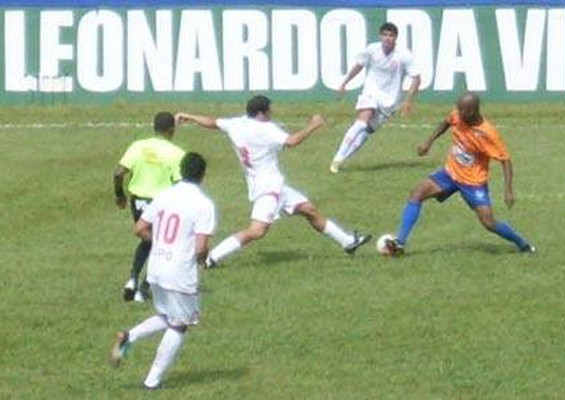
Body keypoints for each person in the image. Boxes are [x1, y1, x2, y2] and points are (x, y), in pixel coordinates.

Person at [176, 95, 371, 267]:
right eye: (269, 109)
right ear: (261, 113)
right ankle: (213, 258)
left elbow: (212, 122)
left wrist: (190, 117)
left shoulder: (237, 123)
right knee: (257, 230)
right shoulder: (265, 129)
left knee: (309, 210)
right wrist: (313, 125)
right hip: (269, 188)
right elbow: (291, 141)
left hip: (274, 186)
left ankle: (347, 242)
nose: (272, 112)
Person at [110, 152, 217, 390]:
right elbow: (200, 247)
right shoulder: (203, 204)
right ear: (203, 175)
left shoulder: (164, 195)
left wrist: (158, 243)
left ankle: (129, 336)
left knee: (168, 316)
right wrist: (201, 259)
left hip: (156, 267)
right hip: (179, 271)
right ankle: (152, 381)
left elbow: (139, 229)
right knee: (180, 325)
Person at [385, 92, 536, 255]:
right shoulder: (458, 115)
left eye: (462, 110)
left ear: (472, 111)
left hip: (473, 183)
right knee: (417, 193)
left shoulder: (488, 133)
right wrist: (428, 142)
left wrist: (508, 191)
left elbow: (506, 161)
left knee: (489, 223)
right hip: (450, 174)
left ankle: (523, 244)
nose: (457, 112)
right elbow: (445, 123)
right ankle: (400, 242)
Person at [330, 22, 421, 174]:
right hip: (371, 91)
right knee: (361, 122)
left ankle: (342, 160)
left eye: (391, 35)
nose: (387, 38)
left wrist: (408, 101)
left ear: (395, 38)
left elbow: (416, 78)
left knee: (367, 131)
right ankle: (337, 159)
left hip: (390, 100)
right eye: (385, 35)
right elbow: (359, 65)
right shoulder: (372, 49)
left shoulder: (404, 55)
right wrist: (345, 82)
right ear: (380, 36)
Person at [113, 112, 185, 302]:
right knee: (162, 244)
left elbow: (118, 173)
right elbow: (179, 184)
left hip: (138, 201)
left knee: (148, 241)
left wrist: (119, 195)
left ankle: (132, 280)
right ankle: (144, 288)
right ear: (172, 129)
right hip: (160, 202)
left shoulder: (138, 146)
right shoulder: (177, 153)